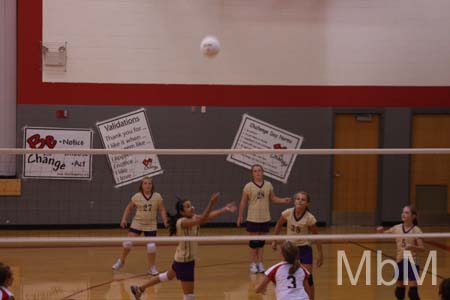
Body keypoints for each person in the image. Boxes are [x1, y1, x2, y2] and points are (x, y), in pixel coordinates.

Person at [130, 192, 237, 300]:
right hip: (185, 261)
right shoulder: (182, 222)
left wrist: (225, 209)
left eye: (191, 205)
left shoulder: (193, 218)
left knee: (168, 276)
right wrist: (211, 203)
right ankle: (140, 289)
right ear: (182, 212)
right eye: (187, 206)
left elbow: (207, 217)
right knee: (189, 295)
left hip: (180, 258)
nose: (191, 207)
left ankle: (140, 288)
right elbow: (202, 219)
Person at [236, 164, 291, 273]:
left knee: (261, 243)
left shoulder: (268, 185)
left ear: (263, 172)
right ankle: (253, 263)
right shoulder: (248, 186)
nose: (258, 173)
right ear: (252, 174)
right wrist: (240, 215)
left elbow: (273, 199)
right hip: (252, 218)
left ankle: (260, 263)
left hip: (265, 217)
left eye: (259, 170)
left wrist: (283, 200)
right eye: (255, 171)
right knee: (253, 243)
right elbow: (243, 202)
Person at [112, 176, 168, 275]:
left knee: (151, 246)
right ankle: (121, 261)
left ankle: (151, 267)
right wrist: (124, 219)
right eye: (145, 183)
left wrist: (165, 220)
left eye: (149, 183)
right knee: (128, 243)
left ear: (152, 185)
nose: (147, 185)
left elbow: (162, 209)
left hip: (151, 224)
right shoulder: (137, 196)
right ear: (141, 186)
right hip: (137, 223)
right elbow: (128, 208)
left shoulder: (157, 196)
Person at [271, 191, 323, 299]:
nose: (300, 201)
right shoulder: (288, 212)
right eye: (298, 198)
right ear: (294, 201)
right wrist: (274, 240)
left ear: (307, 203)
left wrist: (320, 254)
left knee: (308, 277)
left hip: (304, 248)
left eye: (303, 199)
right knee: (287, 274)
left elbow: (316, 236)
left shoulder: (310, 218)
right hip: (289, 248)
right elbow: (279, 224)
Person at [377, 206, 424, 300]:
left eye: (407, 213)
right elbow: (383, 235)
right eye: (403, 212)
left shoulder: (416, 230)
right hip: (400, 261)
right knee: (399, 292)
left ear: (413, 216)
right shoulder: (396, 228)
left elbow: (422, 249)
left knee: (413, 293)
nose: (404, 214)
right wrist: (380, 231)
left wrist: (412, 247)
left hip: (412, 262)